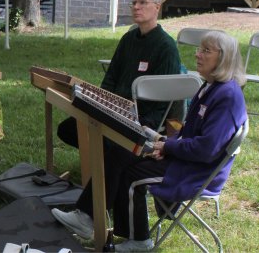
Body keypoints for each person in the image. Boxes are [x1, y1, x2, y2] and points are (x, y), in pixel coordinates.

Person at [51, 30, 248, 252]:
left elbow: (207, 149)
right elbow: (192, 135)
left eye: (205, 50)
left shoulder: (227, 96)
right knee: (121, 152)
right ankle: (88, 217)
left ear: (223, 58)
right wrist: (165, 142)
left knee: (132, 175)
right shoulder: (211, 87)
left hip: (197, 172)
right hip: (187, 160)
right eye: (198, 49)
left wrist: (169, 147)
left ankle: (138, 240)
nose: (197, 55)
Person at [57, 0, 181, 147]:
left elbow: (162, 102)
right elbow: (110, 79)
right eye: (133, 3)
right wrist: (99, 105)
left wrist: (142, 126)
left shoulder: (166, 46)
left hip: (141, 119)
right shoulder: (128, 39)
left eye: (142, 2)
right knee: (67, 129)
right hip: (115, 109)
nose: (136, 7)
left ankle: (106, 165)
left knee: (106, 139)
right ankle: (99, 163)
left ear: (157, 7)